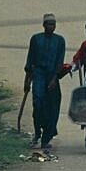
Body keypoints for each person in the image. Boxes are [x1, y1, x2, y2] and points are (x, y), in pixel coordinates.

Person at [23, 13, 66, 150]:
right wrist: (27, 80)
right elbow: (30, 60)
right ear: (43, 25)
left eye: (53, 24)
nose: (50, 27)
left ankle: (46, 138)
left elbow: (60, 61)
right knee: (38, 104)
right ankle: (37, 133)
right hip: (39, 75)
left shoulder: (59, 40)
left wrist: (55, 78)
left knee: (52, 107)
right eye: (48, 24)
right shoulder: (36, 39)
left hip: (52, 75)